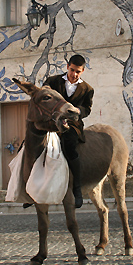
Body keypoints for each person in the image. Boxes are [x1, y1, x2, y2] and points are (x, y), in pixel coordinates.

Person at [44, 54, 94, 208]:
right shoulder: (52, 81)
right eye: (72, 70)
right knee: (32, 142)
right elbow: (43, 96)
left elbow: (87, 109)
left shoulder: (87, 89)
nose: (74, 74)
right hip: (51, 121)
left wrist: (78, 110)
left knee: (69, 146)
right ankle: (29, 190)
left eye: (78, 71)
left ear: (83, 71)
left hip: (72, 125)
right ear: (67, 67)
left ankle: (77, 189)